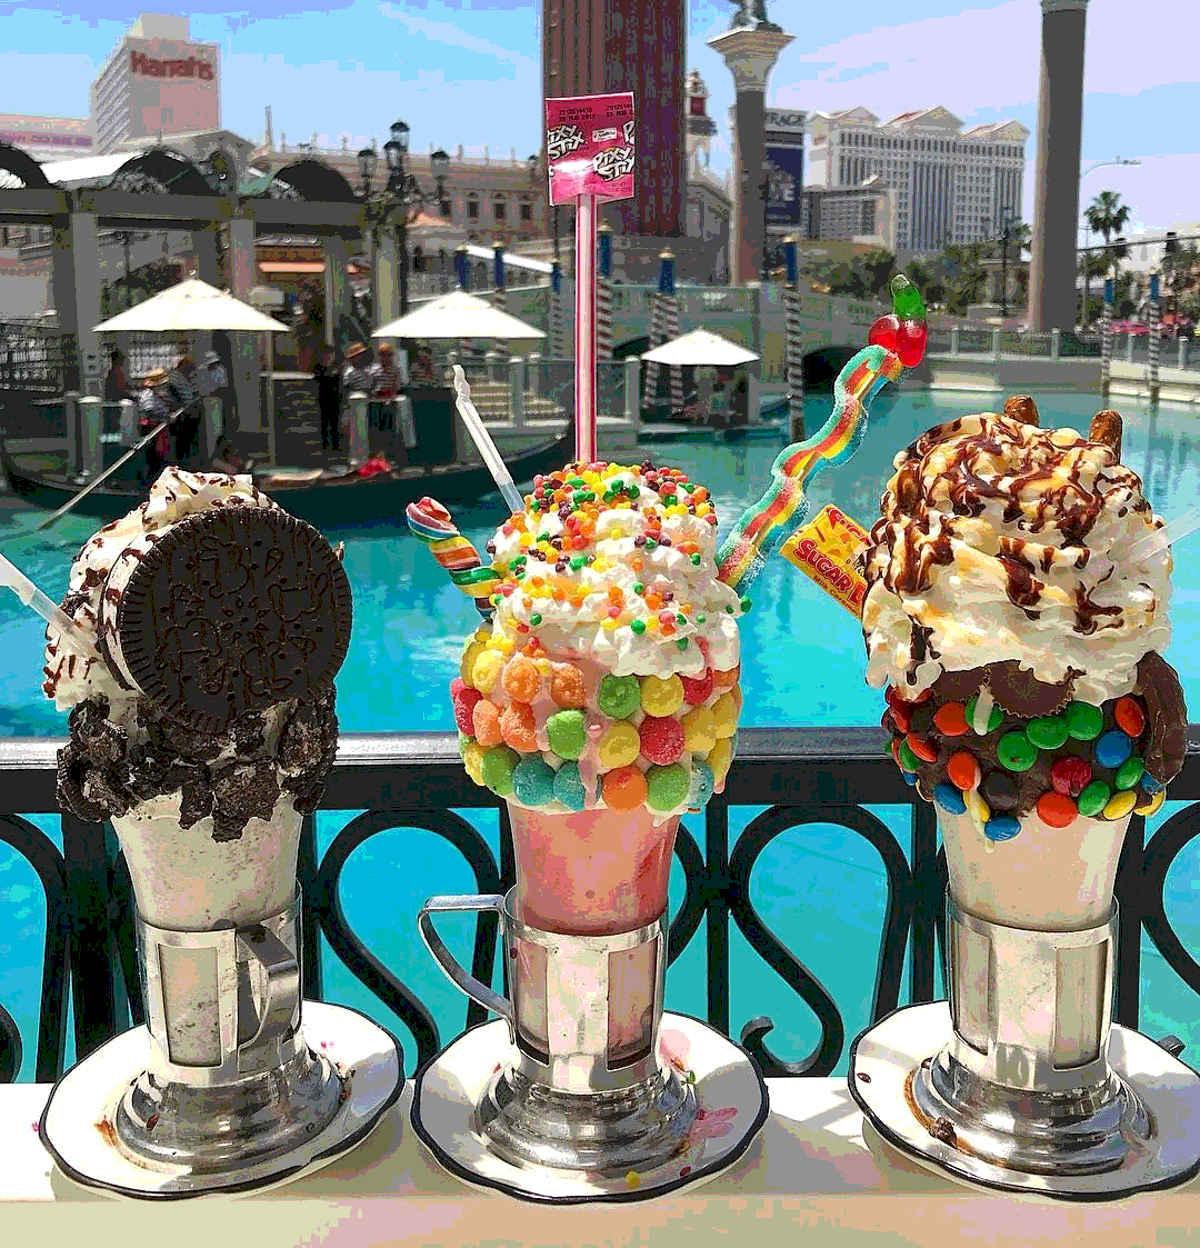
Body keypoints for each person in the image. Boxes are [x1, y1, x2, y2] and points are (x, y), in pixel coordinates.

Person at [136, 369, 173, 483]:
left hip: (161, 430)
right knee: (152, 456)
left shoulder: (160, 395)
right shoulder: (148, 396)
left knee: (160, 456)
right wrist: (163, 418)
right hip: (152, 429)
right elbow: (149, 411)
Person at [166, 351, 202, 466]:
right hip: (181, 416)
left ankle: (187, 462)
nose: (191, 369)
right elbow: (176, 397)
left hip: (191, 415)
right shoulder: (175, 378)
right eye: (189, 367)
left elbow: (195, 393)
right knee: (181, 442)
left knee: (189, 441)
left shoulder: (189, 377)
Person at [313, 346, 342, 452]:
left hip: (335, 398)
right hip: (323, 398)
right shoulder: (318, 367)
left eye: (331, 354)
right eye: (327, 354)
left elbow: (339, 379)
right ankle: (324, 444)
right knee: (324, 422)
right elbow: (318, 378)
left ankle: (336, 445)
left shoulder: (336, 366)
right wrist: (328, 374)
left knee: (335, 422)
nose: (329, 356)